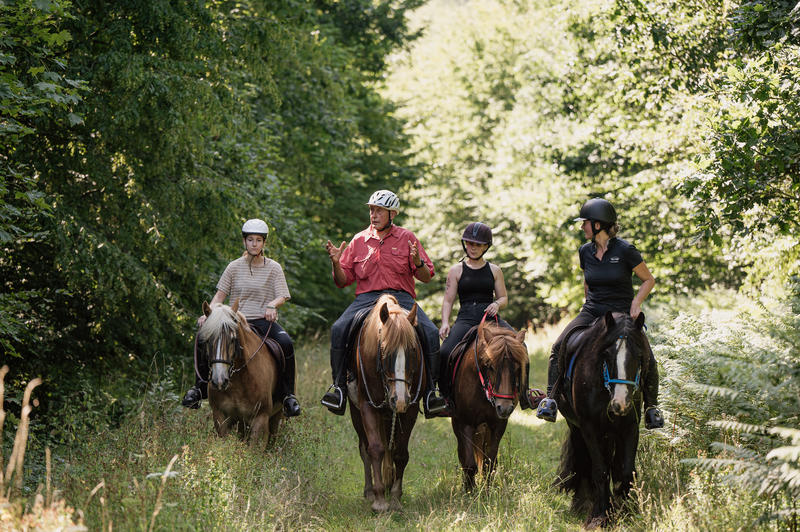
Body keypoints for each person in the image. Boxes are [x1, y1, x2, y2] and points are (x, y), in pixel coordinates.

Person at [535, 198, 664, 429]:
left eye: (585, 222)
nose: (582, 226)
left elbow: (648, 280)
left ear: (598, 225)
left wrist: (636, 303)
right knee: (558, 346)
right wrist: (588, 304)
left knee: (647, 353)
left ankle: (652, 408)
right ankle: (550, 399)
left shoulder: (626, 250)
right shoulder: (584, 251)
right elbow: (588, 281)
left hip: (621, 312)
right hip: (592, 310)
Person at [320, 190, 447, 417]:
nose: (373, 214)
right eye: (371, 210)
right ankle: (338, 388)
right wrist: (336, 263)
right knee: (338, 328)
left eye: (379, 211)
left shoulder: (407, 238)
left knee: (430, 332)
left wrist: (417, 262)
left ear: (392, 214)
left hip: (402, 297)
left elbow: (427, 276)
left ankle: (431, 392)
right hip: (366, 299)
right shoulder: (359, 240)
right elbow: (342, 281)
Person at [181, 218, 301, 417]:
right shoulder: (233, 267)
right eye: (250, 240)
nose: (254, 244)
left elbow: (283, 295)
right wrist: (208, 314)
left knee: (286, 343)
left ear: (264, 243)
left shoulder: (274, 267)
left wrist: (273, 304)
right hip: (234, 321)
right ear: (244, 241)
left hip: (263, 321)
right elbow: (219, 296)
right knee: (202, 336)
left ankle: (288, 395)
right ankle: (199, 388)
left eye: (259, 240)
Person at [438, 222, 538, 410]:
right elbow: (448, 301)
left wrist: (497, 304)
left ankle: (524, 394)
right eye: (469, 243)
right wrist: (445, 322)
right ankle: (444, 397)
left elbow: (504, 298)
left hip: (491, 319)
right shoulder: (456, 270)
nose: (473, 247)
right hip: (466, 319)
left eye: (478, 244)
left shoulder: (494, 270)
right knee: (444, 352)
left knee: (521, 346)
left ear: (486, 246)